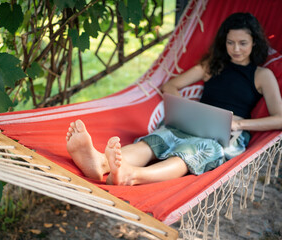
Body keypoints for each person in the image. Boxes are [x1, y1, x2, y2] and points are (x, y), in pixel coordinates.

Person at [66, 12, 282, 186]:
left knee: (193, 153)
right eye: (230, 42)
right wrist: (184, 107)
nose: (236, 49)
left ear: (255, 42)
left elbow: (279, 118)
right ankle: (100, 163)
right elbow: (171, 85)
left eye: (243, 43)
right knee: (158, 139)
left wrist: (240, 123)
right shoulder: (212, 65)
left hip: (228, 135)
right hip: (196, 121)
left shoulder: (262, 75)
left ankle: (132, 175)